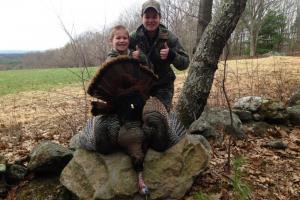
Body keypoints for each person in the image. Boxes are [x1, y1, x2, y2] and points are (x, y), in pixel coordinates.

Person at [129, 0, 190, 112]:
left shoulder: (168, 37)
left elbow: (185, 63)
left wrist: (171, 55)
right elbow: (116, 54)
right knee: (138, 117)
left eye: (154, 17)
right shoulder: (133, 37)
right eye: (147, 17)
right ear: (141, 17)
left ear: (160, 17)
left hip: (163, 85)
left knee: (158, 117)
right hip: (141, 86)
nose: (151, 20)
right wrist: (130, 56)